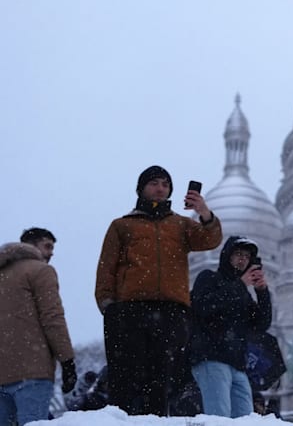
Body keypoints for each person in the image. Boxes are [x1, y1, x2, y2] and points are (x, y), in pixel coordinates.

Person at [95, 165, 222, 416]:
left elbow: (210, 240)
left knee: (163, 377)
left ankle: (156, 420)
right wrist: (107, 305)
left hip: (171, 310)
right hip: (130, 309)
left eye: (165, 184)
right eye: (154, 183)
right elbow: (106, 267)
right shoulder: (122, 225)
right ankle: (122, 420)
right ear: (142, 188)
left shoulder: (181, 225)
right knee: (126, 376)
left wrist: (203, 212)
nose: (160, 188)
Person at [188, 236, 273, 417]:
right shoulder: (208, 278)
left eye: (247, 256)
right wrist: (240, 285)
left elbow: (261, 324)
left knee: (245, 419)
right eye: (238, 254)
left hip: (237, 365)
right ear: (227, 255)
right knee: (219, 418)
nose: (243, 259)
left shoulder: (243, 294)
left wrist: (262, 292)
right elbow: (205, 308)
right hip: (211, 358)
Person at [0, 234, 76, 426]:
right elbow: (52, 318)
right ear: (30, 246)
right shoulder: (40, 271)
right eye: (47, 246)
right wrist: (67, 360)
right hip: (32, 371)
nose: (51, 253)